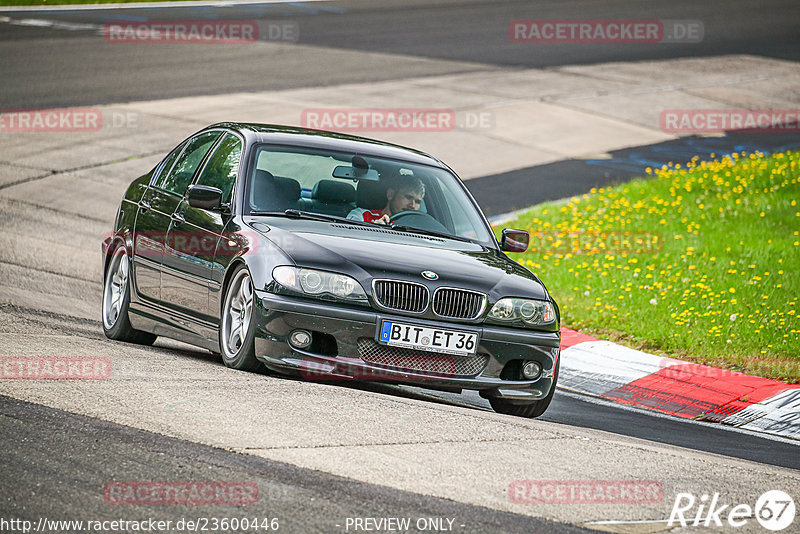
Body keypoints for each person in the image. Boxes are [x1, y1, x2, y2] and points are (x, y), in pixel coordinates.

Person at [347, 175, 425, 224]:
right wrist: (373, 227)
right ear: (390, 194)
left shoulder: (419, 227)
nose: (412, 205)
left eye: (417, 202)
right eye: (408, 197)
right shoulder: (361, 215)